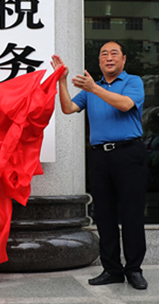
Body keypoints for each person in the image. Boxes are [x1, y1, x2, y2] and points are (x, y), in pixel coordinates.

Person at [51, 42, 148, 290]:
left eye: (114, 53)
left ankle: (134, 269)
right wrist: (61, 81)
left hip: (128, 154)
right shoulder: (90, 88)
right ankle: (112, 269)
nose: (108, 57)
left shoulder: (133, 81)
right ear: (99, 62)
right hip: (100, 157)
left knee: (131, 215)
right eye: (103, 54)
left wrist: (94, 87)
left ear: (124, 59)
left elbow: (126, 105)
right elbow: (68, 107)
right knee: (104, 215)